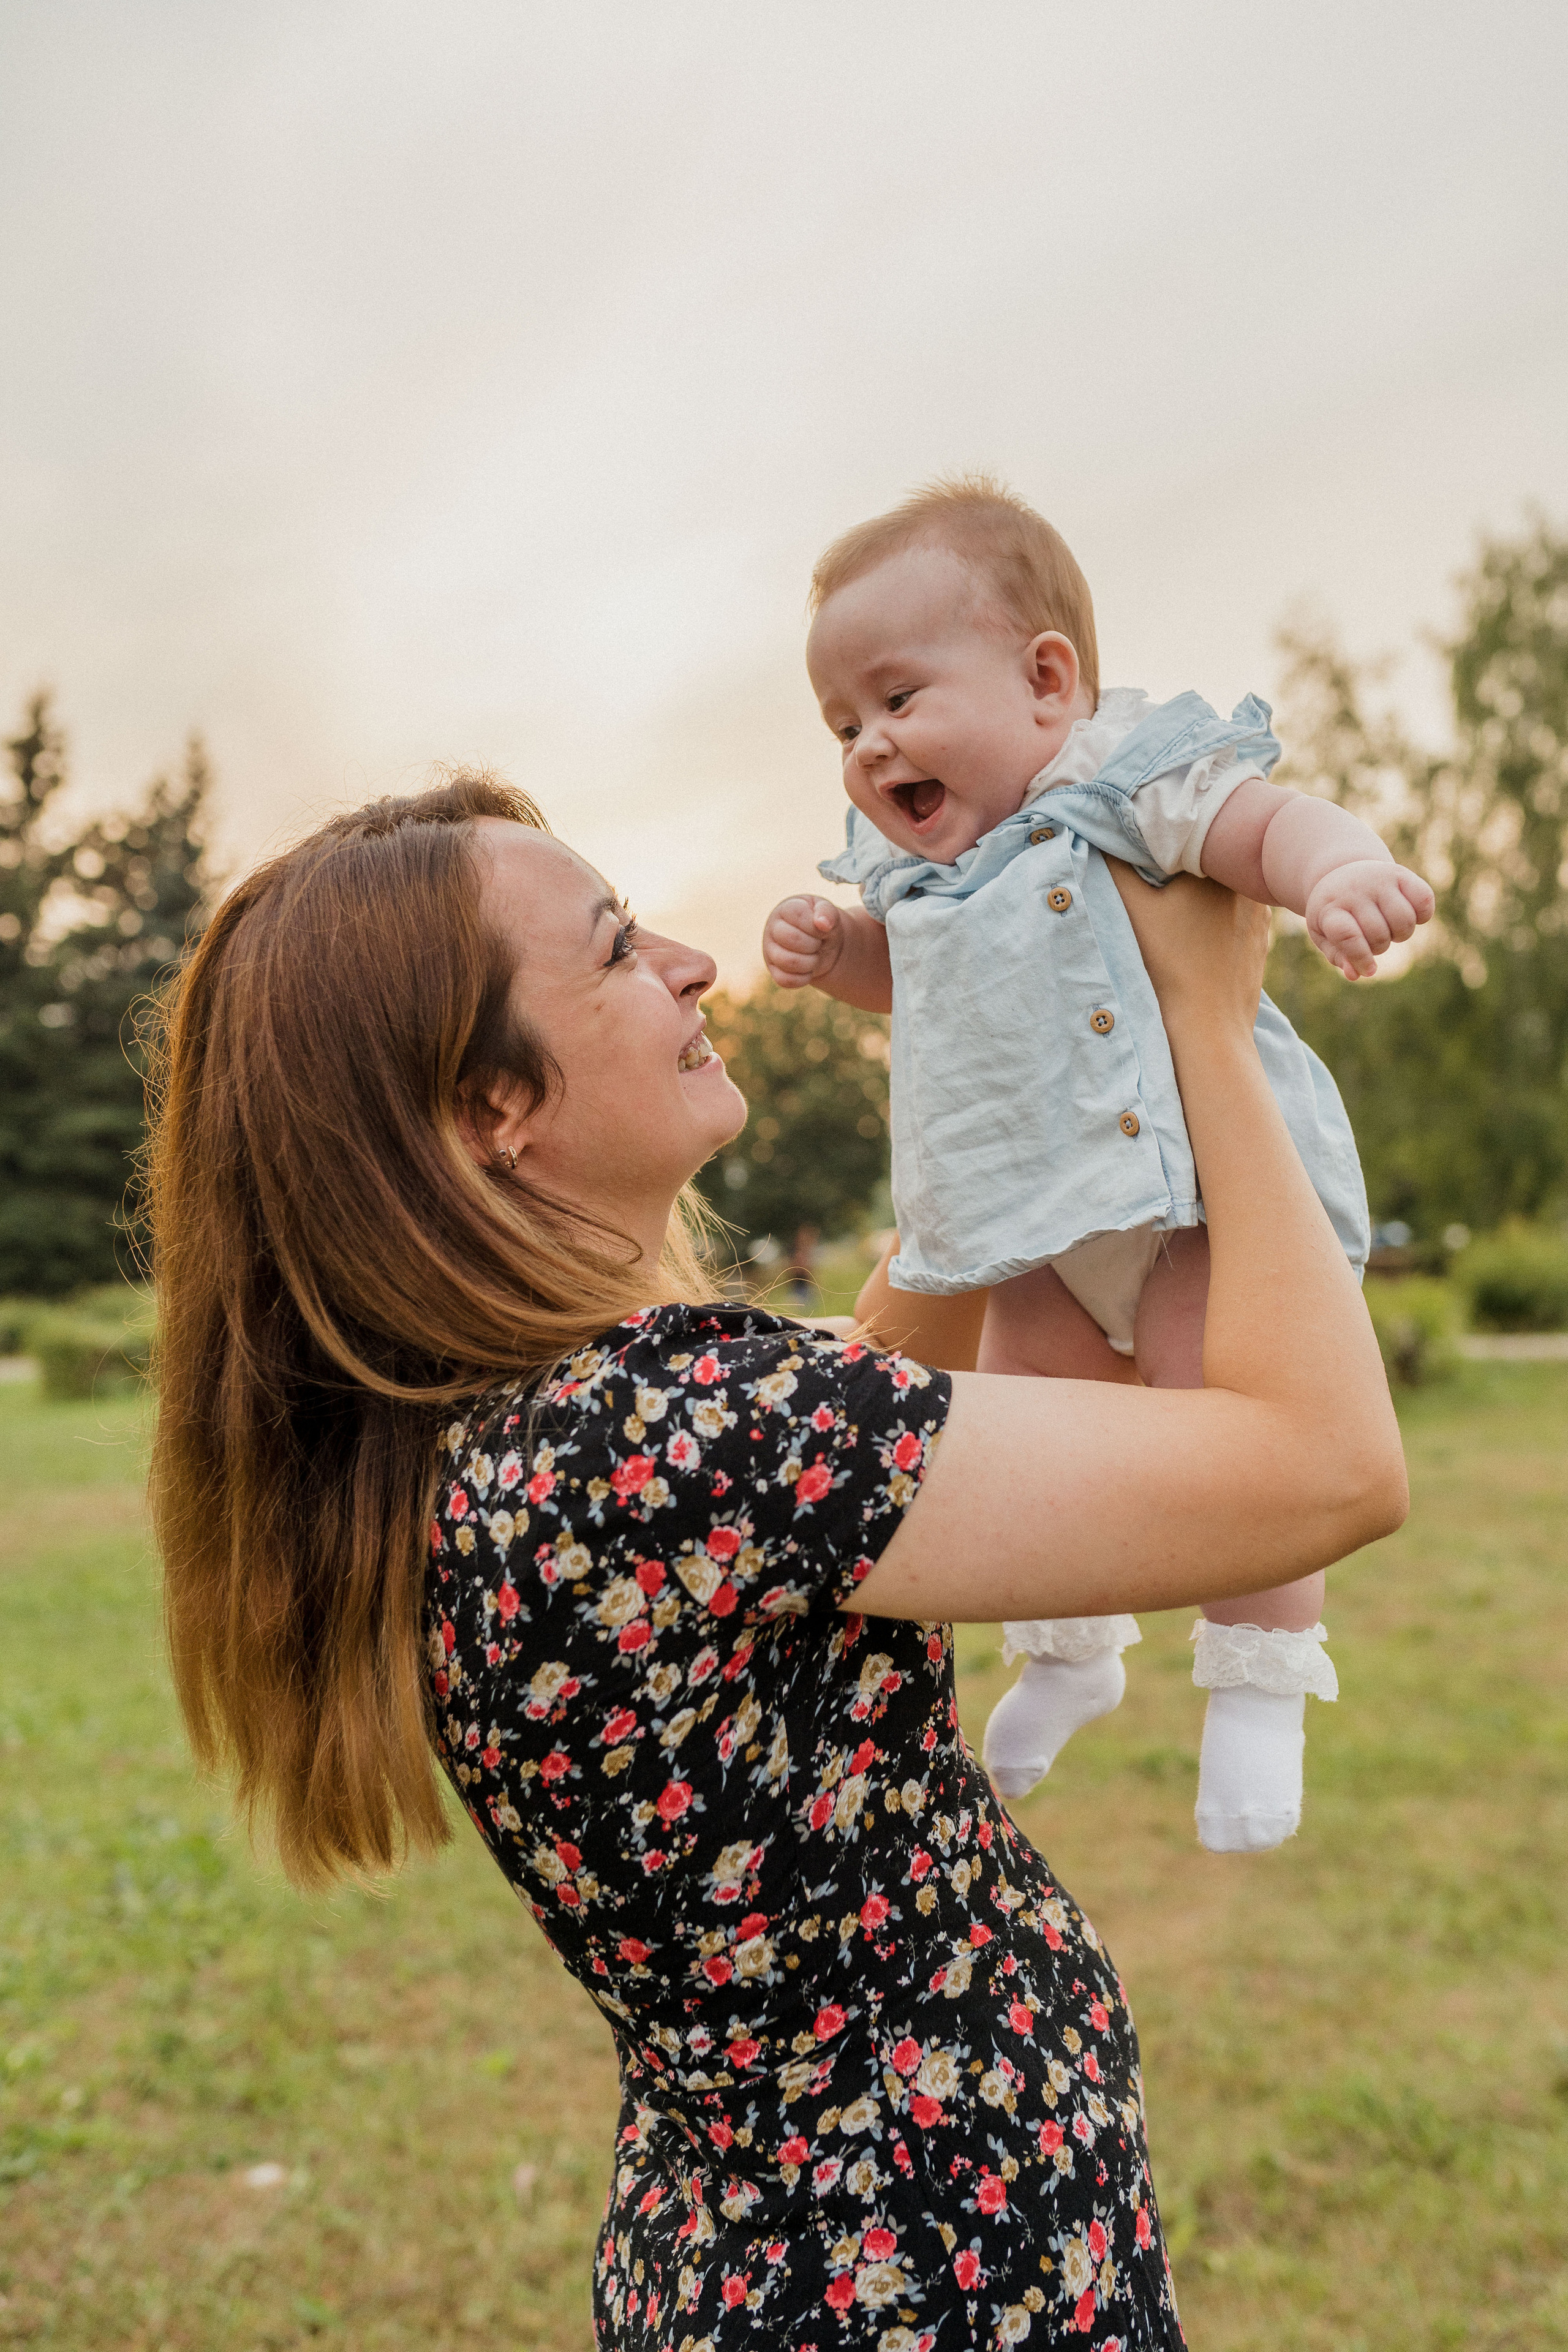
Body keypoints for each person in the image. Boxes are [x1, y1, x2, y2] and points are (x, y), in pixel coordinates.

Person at [149, 773, 1404, 2350]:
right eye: (613, 950)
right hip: (925, 2287)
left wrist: (979, 1037)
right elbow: (1328, 1467)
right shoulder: (676, 1438)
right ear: (491, 1110)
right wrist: (1207, 1022)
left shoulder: (526, 1437)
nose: (687, 961)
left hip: (755, 2255)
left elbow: (871, 1379)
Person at [762, 476, 1434, 1850]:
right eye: (841, 725)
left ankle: (1256, 1688)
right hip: (1034, 1227)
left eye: (894, 700)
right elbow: (932, 987)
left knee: (1219, 1427)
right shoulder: (913, 876)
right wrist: (843, 957)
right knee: (1037, 1430)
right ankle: (1069, 1651)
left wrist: (1338, 873)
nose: (865, 747)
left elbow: (1266, 828)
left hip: (1192, 1203)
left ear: (1045, 682)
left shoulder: (1123, 782)